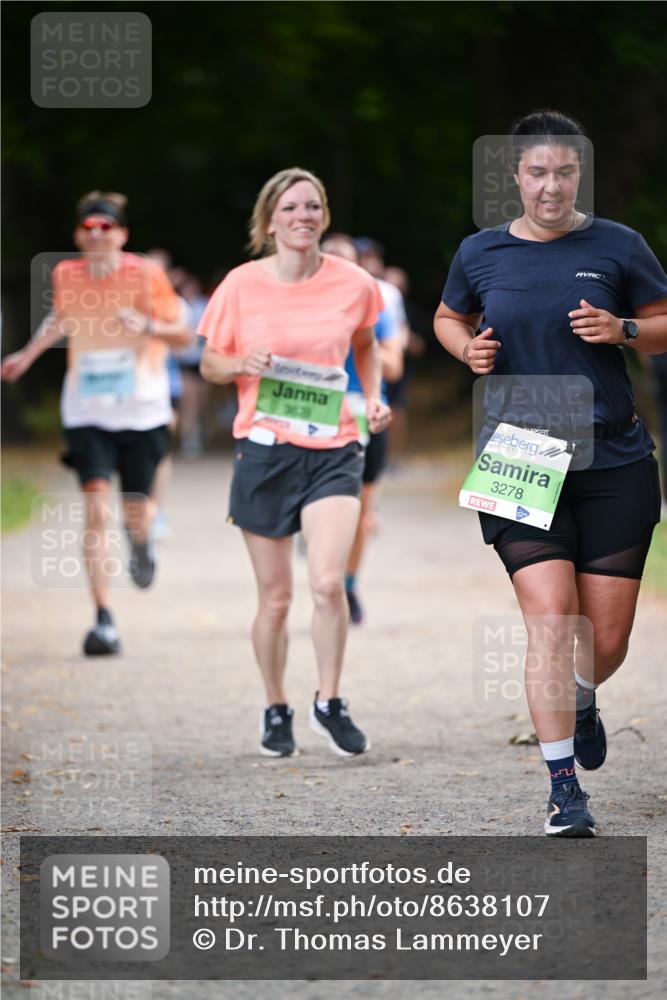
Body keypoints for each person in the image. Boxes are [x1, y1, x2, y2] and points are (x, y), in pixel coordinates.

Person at [434, 111, 667, 836]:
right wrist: (463, 350)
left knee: (605, 638)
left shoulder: (616, 246)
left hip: (611, 454)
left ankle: (583, 698)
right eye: (536, 172)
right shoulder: (479, 252)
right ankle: (563, 786)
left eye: (563, 172)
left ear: (578, 176)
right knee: (547, 622)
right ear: (515, 176)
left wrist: (622, 330)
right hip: (517, 454)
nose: (550, 185)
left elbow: (663, 323)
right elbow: (446, 317)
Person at [198, 168, 391, 757]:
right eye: (290, 208)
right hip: (263, 449)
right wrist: (239, 365)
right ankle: (275, 705)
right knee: (276, 599)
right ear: (269, 221)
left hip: (334, 447)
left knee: (329, 583)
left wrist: (374, 396)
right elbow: (209, 364)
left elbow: (366, 343)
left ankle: (329, 701)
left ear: (323, 216)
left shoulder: (353, 283)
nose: (302, 216)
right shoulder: (240, 285)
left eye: (312, 207)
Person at [1, 192, 192, 655]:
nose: (96, 235)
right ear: (77, 236)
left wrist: (146, 325)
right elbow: (63, 317)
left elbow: (184, 336)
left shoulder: (146, 274)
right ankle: (104, 618)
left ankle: (141, 542)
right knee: (95, 510)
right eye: (88, 228)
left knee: (136, 513)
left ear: (122, 235)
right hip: (87, 409)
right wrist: (27, 354)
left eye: (106, 227)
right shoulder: (67, 273)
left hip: (141, 409)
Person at [321, 233, 403, 624]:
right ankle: (327, 581)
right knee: (322, 509)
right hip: (318, 416)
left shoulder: (375, 307)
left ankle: (349, 584)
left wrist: (361, 341)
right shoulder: (304, 308)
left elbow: (394, 367)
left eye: (346, 261)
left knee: (363, 514)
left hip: (367, 415)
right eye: (329, 259)